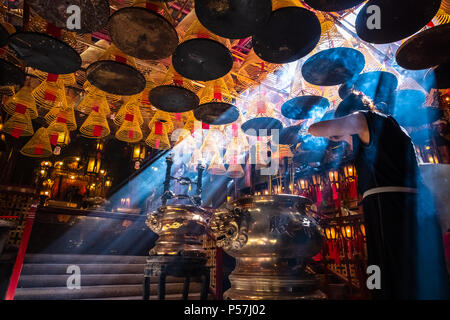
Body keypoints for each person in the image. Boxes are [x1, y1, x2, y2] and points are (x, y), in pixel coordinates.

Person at [308, 92, 449, 300]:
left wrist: (333, 131)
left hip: (390, 209)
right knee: (417, 273)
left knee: (385, 273)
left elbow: (314, 129)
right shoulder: (395, 128)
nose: (345, 144)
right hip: (411, 209)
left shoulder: (366, 119)